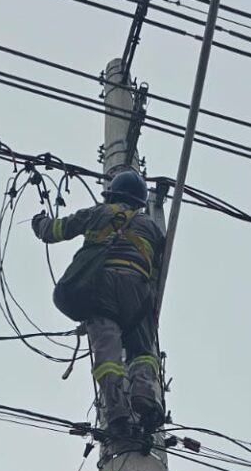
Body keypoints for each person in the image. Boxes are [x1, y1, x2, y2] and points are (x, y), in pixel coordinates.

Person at [31, 169, 165, 439]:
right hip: (138, 290)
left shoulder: (99, 213)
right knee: (143, 351)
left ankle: (117, 414)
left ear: (112, 194)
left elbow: (55, 231)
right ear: (140, 202)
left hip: (101, 287)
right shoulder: (151, 227)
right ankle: (144, 398)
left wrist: (39, 222)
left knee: (108, 355)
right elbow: (157, 270)